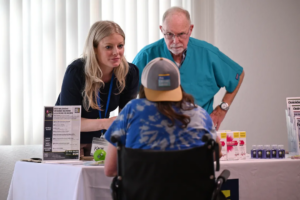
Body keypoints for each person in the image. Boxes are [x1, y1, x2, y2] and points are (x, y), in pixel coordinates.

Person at [132, 7, 245, 131]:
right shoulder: (147, 56)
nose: (175, 41)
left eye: (181, 34)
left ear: (190, 30)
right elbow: (127, 95)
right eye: (169, 34)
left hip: (198, 131)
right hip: (157, 133)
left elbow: (238, 75)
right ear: (161, 30)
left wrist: (222, 109)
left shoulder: (207, 53)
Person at [104, 57, 219, 177]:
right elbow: (218, 152)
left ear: (144, 86)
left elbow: (110, 170)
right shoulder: (199, 113)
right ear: (178, 86)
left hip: (142, 193)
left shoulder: (131, 110)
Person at [55, 21, 139, 157]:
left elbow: (126, 119)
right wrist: (106, 123)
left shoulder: (130, 73)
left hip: (99, 141)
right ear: (94, 48)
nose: (116, 52)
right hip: (67, 139)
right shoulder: (76, 71)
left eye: (120, 46)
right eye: (108, 47)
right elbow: (68, 122)